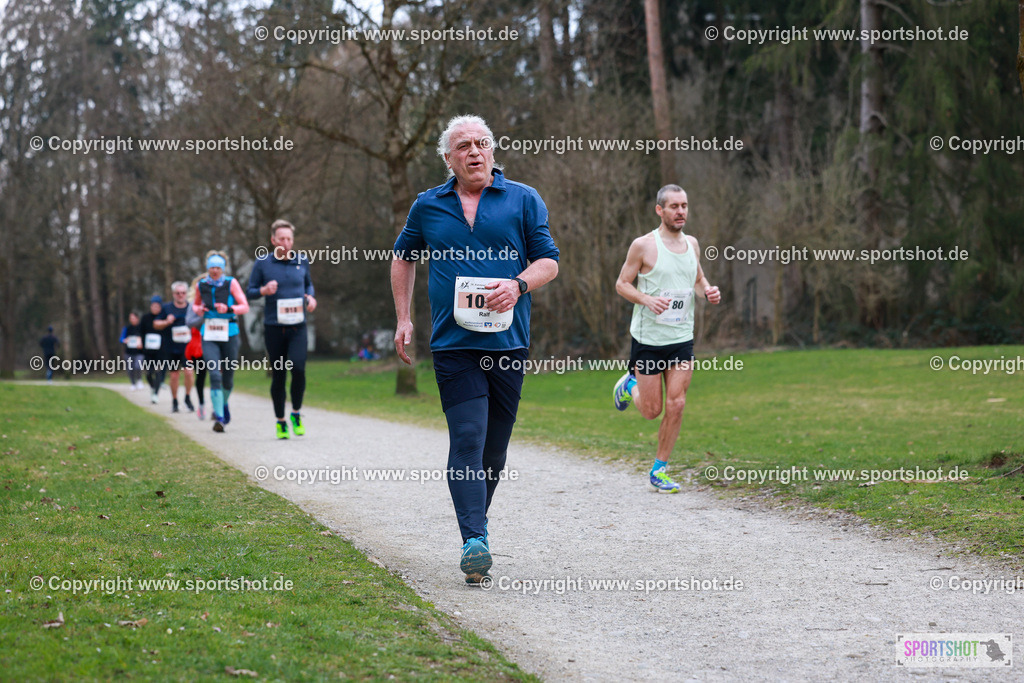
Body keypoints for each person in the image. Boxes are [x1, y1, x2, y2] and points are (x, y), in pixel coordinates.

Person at [391, 114, 559, 584]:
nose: (475, 151)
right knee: (467, 436)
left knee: (494, 450)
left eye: (482, 143)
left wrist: (518, 284)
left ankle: (475, 526)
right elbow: (403, 256)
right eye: (464, 145)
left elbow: (549, 261)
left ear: (492, 150)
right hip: (453, 345)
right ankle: (474, 540)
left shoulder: (523, 199)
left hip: (508, 343)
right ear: (449, 158)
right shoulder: (428, 205)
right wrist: (403, 318)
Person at [612, 185, 721, 492]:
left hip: (681, 338)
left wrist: (708, 291)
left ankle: (659, 469)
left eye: (684, 205)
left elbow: (697, 279)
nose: (681, 211)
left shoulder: (693, 244)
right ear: (660, 210)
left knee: (677, 403)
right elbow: (622, 284)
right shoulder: (643, 246)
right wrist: (646, 299)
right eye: (674, 206)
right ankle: (629, 386)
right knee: (651, 411)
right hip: (648, 341)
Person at [246, 219, 317, 439]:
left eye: (289, 239)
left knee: (298, 368)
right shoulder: (263, 263)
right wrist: (264, 290)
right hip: (274, 328)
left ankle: (295, 412)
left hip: (298, 327)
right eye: (282, 239)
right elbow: (250, 291)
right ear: (273, 240)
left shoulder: (302, 261)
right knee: (278, 374)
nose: (286, 243)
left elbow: (308, 284)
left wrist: (311, 297)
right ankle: (281, 421)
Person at [193, 251, 249, 432]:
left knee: (228, 377)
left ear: (223, 269)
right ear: (207, 268)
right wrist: (199, 309)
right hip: (209, 334)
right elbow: (195, 304)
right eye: (212, 267)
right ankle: (219, 417)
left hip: (230, 333)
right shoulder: (201, 285)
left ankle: (223, 405)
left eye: (218, 268)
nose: (215, 271)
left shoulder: (231, 283)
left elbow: (245, 306)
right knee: (215, 374)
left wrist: (229, 308)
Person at [154, 281, 196, 413]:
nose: (180, 295)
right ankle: (175, 400)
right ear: (173, 294)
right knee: (174, 376)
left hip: (188, 348)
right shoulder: (166, 308)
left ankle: (187, 397)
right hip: (171, 348)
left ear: (186, 293)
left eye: (183, 293)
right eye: (178, 293)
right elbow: (156, 324)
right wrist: (167, 321)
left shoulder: (191, 308)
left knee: (189, 372)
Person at [185, 275, 208, 420]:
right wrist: (204, 316)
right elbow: (189, 322)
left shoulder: (219, 299)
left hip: (217, 341)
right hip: (198, 345)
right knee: (201, 376)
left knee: (218, 376)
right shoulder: (193, 303)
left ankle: (219, 407)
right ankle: (201, 404)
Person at [140, 296, 167, 403]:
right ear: (150, 306)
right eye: (153, 306)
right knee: (148, 373)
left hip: (160, 350)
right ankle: (152, 387)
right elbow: (141, 332)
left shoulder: (163, 318)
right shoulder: (145, 318)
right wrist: (140, 343)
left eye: (157, 306)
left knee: (158, 371)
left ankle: (155, 393)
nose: (155, 308)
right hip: (148, 350)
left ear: (160, 307)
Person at [119, 311, 145, 390]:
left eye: (134, 318)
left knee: (137, 366)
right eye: (131, 318)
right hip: (129, 352)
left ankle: (139, 380)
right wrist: (124, 340)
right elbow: (121, 339)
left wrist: (142, 343)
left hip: (139, 352)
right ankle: (133, 383)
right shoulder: (127, 328)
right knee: (130, 369)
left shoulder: (142, 328)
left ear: (137, 318)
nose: (132, 319)